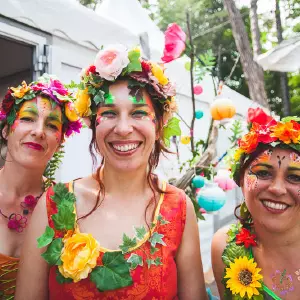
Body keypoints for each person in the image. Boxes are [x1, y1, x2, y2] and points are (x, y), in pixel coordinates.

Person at [15, 44, 208, 299]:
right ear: (93, 125)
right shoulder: (53, 204)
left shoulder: (179, 209)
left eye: (139, 113)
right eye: (109, 114)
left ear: (160, 125)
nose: (124, 128)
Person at [0, 74, 81, 298]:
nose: (38, 131)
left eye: (52, 125)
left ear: (60, 141)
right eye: (27, 119)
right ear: (6, 129)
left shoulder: (66, 208)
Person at [211, 107, 300, 300]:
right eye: (263, 173)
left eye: (295, 177)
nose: (277, 189)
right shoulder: (225, 246)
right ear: (241, 180)